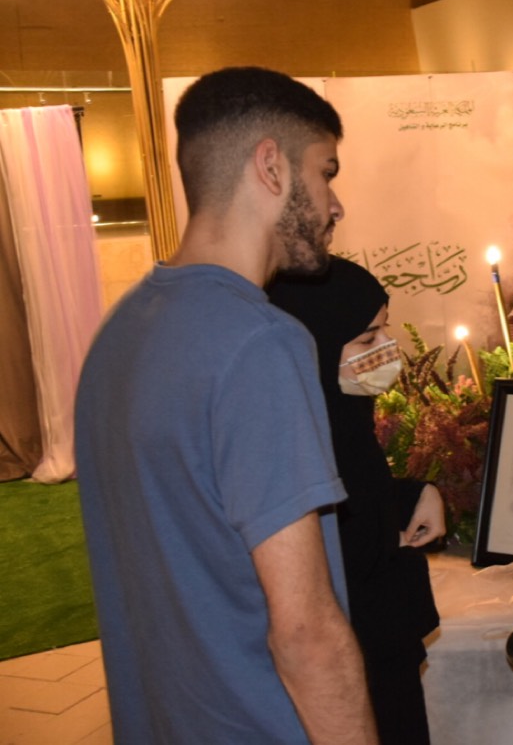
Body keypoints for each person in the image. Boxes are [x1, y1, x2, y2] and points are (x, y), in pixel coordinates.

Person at [74, 67, 377, 743]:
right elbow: (305, 632)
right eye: (326, 173)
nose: (335, 205)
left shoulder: (117, 333)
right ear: (271, 166)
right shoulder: (260, 341)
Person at [268, 256, 444, 745]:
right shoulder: (290, 451)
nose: (387, 348)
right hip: (349, 684)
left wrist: (414, 493)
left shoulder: (344, 419)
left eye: (385, 329)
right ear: (315, 346)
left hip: (380, 659)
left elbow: (359, 493)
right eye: (367, 339)